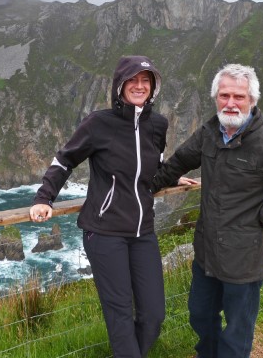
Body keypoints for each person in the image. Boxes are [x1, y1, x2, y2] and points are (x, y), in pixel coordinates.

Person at [152, 63, 263, 358]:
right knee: (200, 315)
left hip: (244, 258)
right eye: (224, 95)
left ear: (252, 101)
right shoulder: (209, 133)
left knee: (237, 330)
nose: (231, 103)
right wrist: (140, 189)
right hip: (207, 251)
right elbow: (177, 163)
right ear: (216, 98)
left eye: (239, 97)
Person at [30, 55, 168, 358]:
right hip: (104, 232)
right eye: (133, 80)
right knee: (119, 314)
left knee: (154, 314)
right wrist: (44, 198)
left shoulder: (158, 124)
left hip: (143, 231)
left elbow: (155, 166)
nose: (139, 86)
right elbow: (65, 159)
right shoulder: (98, 123)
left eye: (146, 80)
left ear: (153, 86)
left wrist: (173, 177)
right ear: (120, 85)